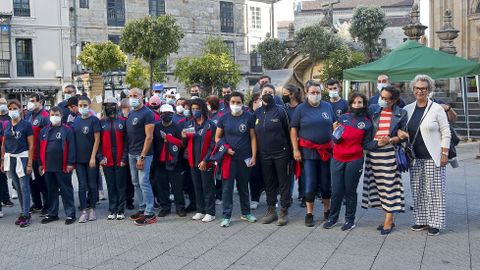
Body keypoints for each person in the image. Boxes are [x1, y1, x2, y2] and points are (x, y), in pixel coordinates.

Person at [404, 75, 451, 236]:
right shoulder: (408, 109)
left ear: (429, 90)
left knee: (435, 190)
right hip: (414, 157)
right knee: (418, 189)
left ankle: (435, 222)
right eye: (417, 88)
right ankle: (421, 220)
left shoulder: (436, 108)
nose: (420, 91)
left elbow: (446, 132)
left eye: (423, 88)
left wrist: (444, 153)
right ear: (413, 90)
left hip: (433, 156)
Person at [323, 93, 373, 231]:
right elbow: (336, 140)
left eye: (360, 102)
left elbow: (367, 144)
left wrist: (380, 143)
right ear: (351, 104)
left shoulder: (367, 123)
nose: (357, 104)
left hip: (355, 159)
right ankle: (333, 219)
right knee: (336, 191)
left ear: (364, 104)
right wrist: (335, 131)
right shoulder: (343, 118)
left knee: (350, 191)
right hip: (337, 158)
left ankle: (349, 220)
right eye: (355, 102)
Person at [362, 85, 408, 235]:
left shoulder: (401, 113)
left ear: (394, 100)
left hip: (389, 154)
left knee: (390, 187)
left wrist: (392, 139)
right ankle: (388, 218)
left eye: (386, 98)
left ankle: (388, 221)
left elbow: (403, 137)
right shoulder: (373, 110)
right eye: (381, 97)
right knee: (378, 187)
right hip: (373, 153)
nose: (382, 100)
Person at [290, 81, 335, 227]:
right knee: (310, 183)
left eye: (318, 92)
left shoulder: (327, 106)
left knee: (326, 184)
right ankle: (309, 213)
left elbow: (334, 124)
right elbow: (294, 129)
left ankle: (327, 211)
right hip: (308, 152)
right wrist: (296, 149)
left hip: (326, 151)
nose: (315, 95)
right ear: (306, 92)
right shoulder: (301, 109)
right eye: (313, 92)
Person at [214, 91, 257, 227]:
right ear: (229, 103)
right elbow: (217, 138)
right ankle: (226, 216)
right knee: (227, 188)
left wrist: (254, 156)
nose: (236, 104)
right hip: (228, 159)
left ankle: (246, 213)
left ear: (242, 103)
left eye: (238, 102)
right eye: (233, 102)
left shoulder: (249, 117)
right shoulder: (223, 118)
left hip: (245, 158)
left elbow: (253, 138)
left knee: (243, 187)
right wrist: (226, 149)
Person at [254, 84, 292, 226]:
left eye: (270, 92)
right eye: (265, 92)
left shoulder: (282, 111)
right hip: (264, 154)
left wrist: (291, 152)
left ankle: (283, 210)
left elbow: (289, 132)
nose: (267, 94)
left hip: (281, 153)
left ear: (275, 95)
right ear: (260, 94)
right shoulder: (256, 113)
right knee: (269, 183)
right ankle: (271, 210)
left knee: (283, 182)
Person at [39, 106, 76, 225]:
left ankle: (70, 214)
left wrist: (70, 163)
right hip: (48, 166)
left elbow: (72, 148)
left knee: (66, 190)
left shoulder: (67, 130)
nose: (54, 117)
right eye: (52, 114)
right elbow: (40, 149)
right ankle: (52, 214)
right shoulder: (44, 131)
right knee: (51, 191)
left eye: (56, 115)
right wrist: (40, 164)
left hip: (63, 166)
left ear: (61, 116)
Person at [126, 88, 157, 226]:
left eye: (135, 95)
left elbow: (149, 137)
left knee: (144, 181)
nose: (132, 98)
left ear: (141, 97)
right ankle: (143, 208)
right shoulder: (131, 113)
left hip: (143, 154)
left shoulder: (147, 113)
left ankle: (150, 213)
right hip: (131, 153)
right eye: (130, 96)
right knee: (135, 182)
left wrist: (142, 157)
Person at [1, 100, 34, 227]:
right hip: (11, 158)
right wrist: (2, 160)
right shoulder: (7, 125)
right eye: (10, 108)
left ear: (20, 109)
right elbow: (3, 144)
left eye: (15, 108)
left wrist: (30, 163)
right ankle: (23, 211)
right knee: (17, 186)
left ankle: (26, 214)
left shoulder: (26, 125)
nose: (12, 110)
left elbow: (31, 145)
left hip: (23, 158)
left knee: (24, 187)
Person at [183, 99, 216, 222]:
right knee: (197, 187)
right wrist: (183, 137)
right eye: (193, 109)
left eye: (197, 108)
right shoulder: (189, 124)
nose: (195, 111)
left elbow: (213, 145)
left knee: (208, 187)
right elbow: (184, 144)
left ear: (202, 109)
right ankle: (201, 210)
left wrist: (205, 160)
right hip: (193, 161)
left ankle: (210, 212)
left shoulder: (210, 125)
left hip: (205, 161)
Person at [152, 104, 186, 217]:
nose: (167, 116)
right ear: (160, 114)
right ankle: (165, 207)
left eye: (170, 114)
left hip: (174, 162)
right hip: (159, 162)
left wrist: (171, 139)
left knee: (177, 186)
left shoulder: (177, 127)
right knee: (162, 186)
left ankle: (180, 207)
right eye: (165, 114)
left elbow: (182, 144)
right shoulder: (156, 127)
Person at [72, 96, 101, 223]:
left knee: (92, 185)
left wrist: (93, 157)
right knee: (82, 185)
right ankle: (83, 210)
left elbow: (97, 140)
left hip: (91, 159)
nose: (82, 107)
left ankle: (92, 209)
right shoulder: (76, 120)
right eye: (80, 105)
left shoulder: (94, 120)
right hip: (79, 160)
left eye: (85, 105)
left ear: (89, 105)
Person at [99, 97, 128, 220]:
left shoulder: (123, 121)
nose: (110, 107)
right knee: (110, 185)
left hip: (120, 157)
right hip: (107, 158)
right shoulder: (101, 122)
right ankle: (112, 209)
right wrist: (100, 156)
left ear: (117, 106)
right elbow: (97, 142)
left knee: (120, 185)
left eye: (112, 105)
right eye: (107, 105)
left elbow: (127, 141)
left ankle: (121, 209)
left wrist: (124, 158)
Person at [25, 93, 50, 216]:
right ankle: (37, 204)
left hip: (40, 155)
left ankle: (47, 205)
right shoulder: (29, 115)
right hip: (30, 155)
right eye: (29, 100)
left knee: (43, 182)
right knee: (32, 182)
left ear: (40, 102)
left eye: (33, 100)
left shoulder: (45, 116)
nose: (30, 102)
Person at [282, 84, 305, 207]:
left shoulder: (302, 107)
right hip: (287, 144)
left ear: (291, 94)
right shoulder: (284, 108)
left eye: (285, 93)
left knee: (303, 170)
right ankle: (288, 196)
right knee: (288, 171)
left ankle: (304, 195)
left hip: (302, 142)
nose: (283, 95)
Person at [120, 98, 135, 210]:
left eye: (128, 108)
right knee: (123, 178)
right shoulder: (120, 120)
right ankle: (123, 199)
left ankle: (130, 200)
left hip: (132, 151)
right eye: (125, 108)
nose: (127, 110)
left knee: (131, 179)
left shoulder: (133, 119)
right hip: (122, 153)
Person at [0, 98, 14, 210]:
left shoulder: (10, 118)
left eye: (4, 103)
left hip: (8, 149)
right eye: (0, 103)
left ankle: (6, 197)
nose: (2, 105)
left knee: (7, 174)